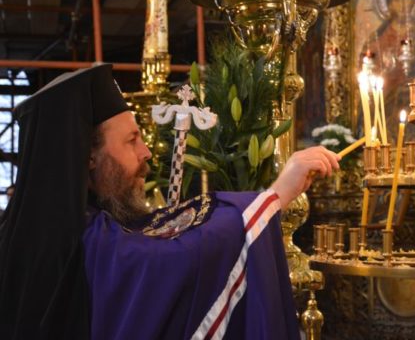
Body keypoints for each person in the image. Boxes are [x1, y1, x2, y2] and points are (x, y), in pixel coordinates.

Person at [0, 64, 340, 339]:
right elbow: (173, 262)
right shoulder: (81, 239)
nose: (146, 152)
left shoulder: (38, 232)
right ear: (88, 156)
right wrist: (275, 196)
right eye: (132, 140)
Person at [361, 0, 415, 140]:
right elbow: (367, 65)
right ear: (390, 4)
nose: (403, 4)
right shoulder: (379, 36)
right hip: (387, 94)